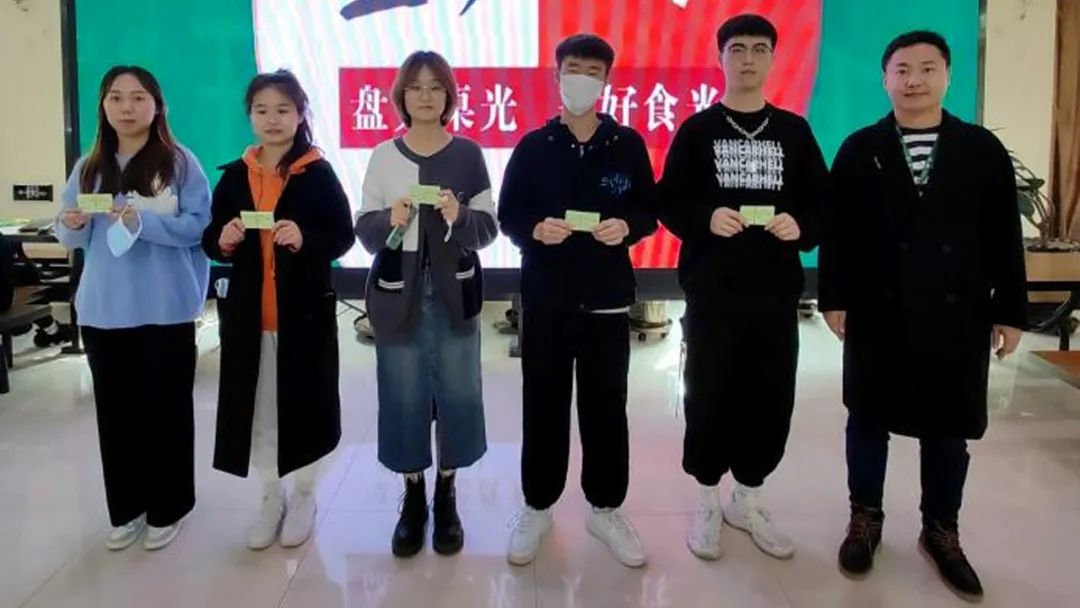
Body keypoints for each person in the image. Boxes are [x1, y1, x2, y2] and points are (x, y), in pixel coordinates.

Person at [819, 31, 1026, 602]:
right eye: (902, 70)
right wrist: (834, 297)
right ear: (885, 79)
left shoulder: (981, 150)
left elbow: (1004, 235)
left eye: (927, 69)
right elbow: (838, 233)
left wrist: (1010, 309)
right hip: (877, 309)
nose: (914, 80)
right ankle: (865, 519)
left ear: (947, 76)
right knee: (867, 419)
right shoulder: (860, 148)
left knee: (948, 429)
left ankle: (941, 530)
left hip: (956, 313)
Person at [659, 14, 828, 562]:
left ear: (773, 58)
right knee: (708, 393)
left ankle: (748, 499)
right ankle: (708, 500)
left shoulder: (795, 133)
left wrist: (801, 224)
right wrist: (705, 218)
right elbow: (669, 201)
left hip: (775, 295)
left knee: (771, 396)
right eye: (737, 49)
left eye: (759, 49)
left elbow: (822, 203)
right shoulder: (697, 130)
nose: (748, 59)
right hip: (713, 293)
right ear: (721, 58)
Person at [499, 34, 658, 569]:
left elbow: (648, 211)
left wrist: (627, 226)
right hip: (546, 299)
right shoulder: (533, 146)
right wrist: (534, 229)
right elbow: (509, 214)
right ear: (556, 75)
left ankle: (606, 508)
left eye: (593, 71)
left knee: (606, 407)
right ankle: (537, 506)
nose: (582, 79)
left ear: (607, 81)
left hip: (607, 299)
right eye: (573, 68)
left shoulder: (627, 144)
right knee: (543, 405)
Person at [55, 66, 212, 551]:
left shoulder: (179, 163)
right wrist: (72, 223)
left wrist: (143, 222)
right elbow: (67, 233)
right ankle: (126, 509)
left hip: (165, 309)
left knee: (166, 413)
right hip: (105, 312)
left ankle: (169, 508)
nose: (127, 107)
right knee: (116, 416)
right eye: (116, 98)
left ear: (157, 105)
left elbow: (199, 227)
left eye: (138, 97)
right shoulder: (88, 167)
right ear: (103, 106)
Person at [202, 70, 355, 550]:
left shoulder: (316, 173)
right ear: (249, 115)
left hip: (303, 317)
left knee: (305, 405)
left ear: (300, 114)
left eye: (283, 110)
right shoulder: (234, 176)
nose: (272, 119)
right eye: (262, 110)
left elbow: (343, 236)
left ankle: (305, 493)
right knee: (259, 408)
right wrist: (223, 239)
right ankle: (271, 495)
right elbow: (210, 238)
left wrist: (306, 238)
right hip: (250, 319)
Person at [355, 51, 497, 558]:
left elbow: (488, 228)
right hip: (400, 294)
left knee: (458, 392)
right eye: (415, 87)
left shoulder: (468, 154)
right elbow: (365, 230)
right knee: (403, 392)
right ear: (401, 96)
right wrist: (389, 220)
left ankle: (447, 492)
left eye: (436, 86)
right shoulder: (383, 155)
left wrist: (460, 215)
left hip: (455, 292)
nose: (425, 95)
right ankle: (413, 496)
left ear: (449, 96)